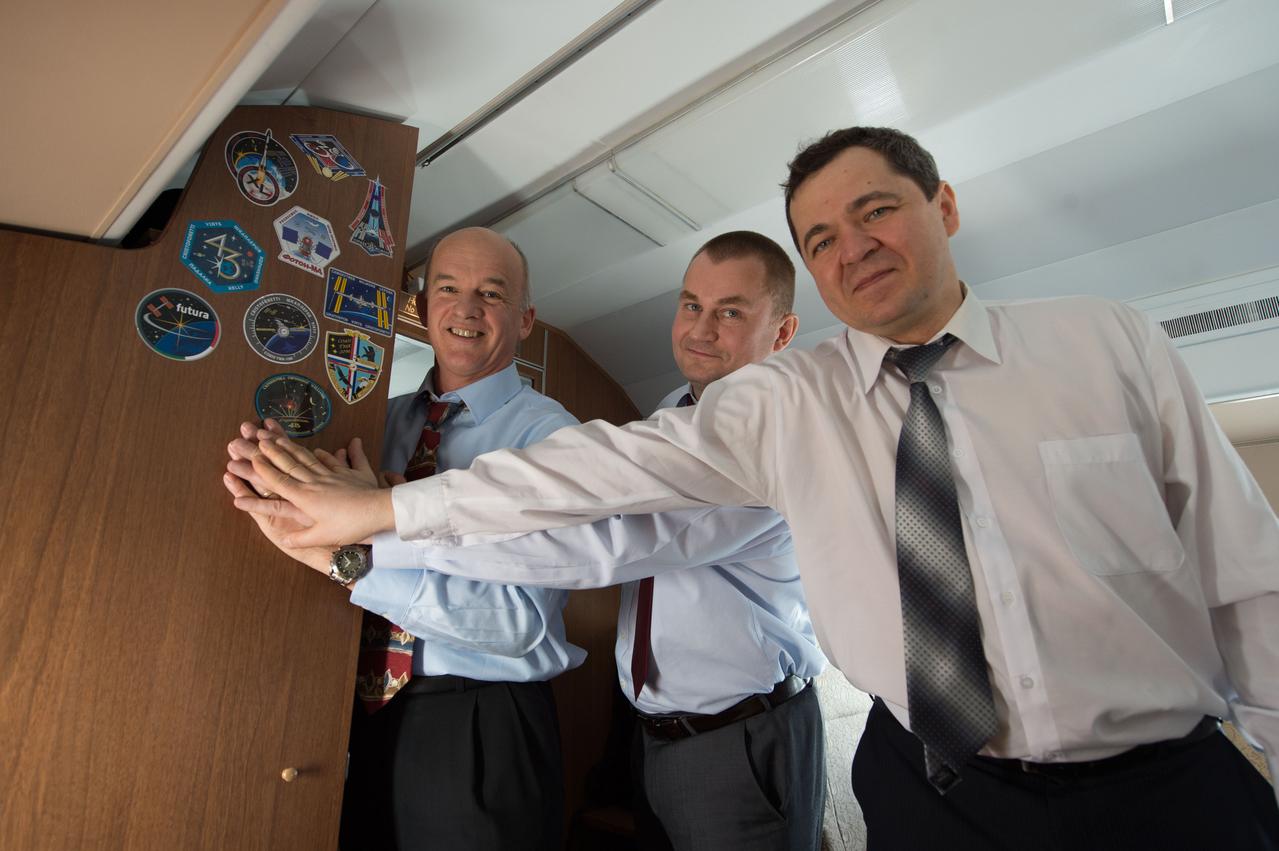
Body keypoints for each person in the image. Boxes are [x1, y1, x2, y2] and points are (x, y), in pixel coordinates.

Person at [232, 128, 1279, 849]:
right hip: (929, 783)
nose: (852, 245)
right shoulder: (783, 402)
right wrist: (381, 513)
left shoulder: (1103, 342)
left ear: (943, 205)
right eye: (821, 236)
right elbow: (596, 476)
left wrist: (367, 540)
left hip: (1155, 783)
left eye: (876, 211)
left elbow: (1248, 575)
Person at [233, 231, 830, 850]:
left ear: (525, 321)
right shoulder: (670, 417)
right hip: (645, 731)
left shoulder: (767, 439)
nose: (701, 329)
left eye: (730, 312)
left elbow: (591, 549)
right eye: (691, 305)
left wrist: (370, 530)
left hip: (728, 728)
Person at [229, 226, 583, 851]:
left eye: (491, 293)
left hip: (481, 722)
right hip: (362, 713)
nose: (466, 308)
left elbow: (515, 624)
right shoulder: (378, 421)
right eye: (447, 288)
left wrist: (353, 557)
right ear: (420, 307)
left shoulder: (551, 439)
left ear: (525, 318)